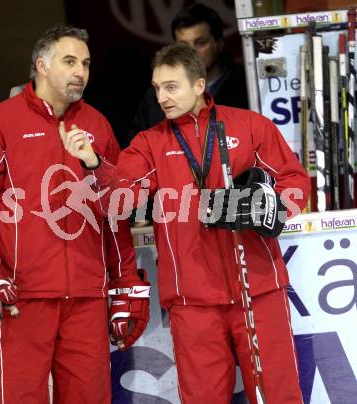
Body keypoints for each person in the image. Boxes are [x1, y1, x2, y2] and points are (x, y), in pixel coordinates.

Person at [61, 42, 310, 403]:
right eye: (157, 88)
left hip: (257, 290)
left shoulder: (249, 125)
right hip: (192, 302)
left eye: (171, 86)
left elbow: (296, 182)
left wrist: (268, 206)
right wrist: (94, 164)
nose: (162, 97)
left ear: (198, 84)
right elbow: (122, 198)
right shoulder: (150, 142)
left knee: (278, 395)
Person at [0, 24, 150, 404]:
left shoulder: (96, 124)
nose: (81, 71)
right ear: (41, 65)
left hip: (86, 300)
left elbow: (115, 216)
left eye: (86, 64)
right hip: (23, 299)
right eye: (70, 61)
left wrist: (124, 281)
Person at [127, 2, 249, 143]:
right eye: (183, 46)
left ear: (219, 43)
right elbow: (135, 148)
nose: (191, 52)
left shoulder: (246, 87)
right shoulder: (157, 97)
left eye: (201, 43)